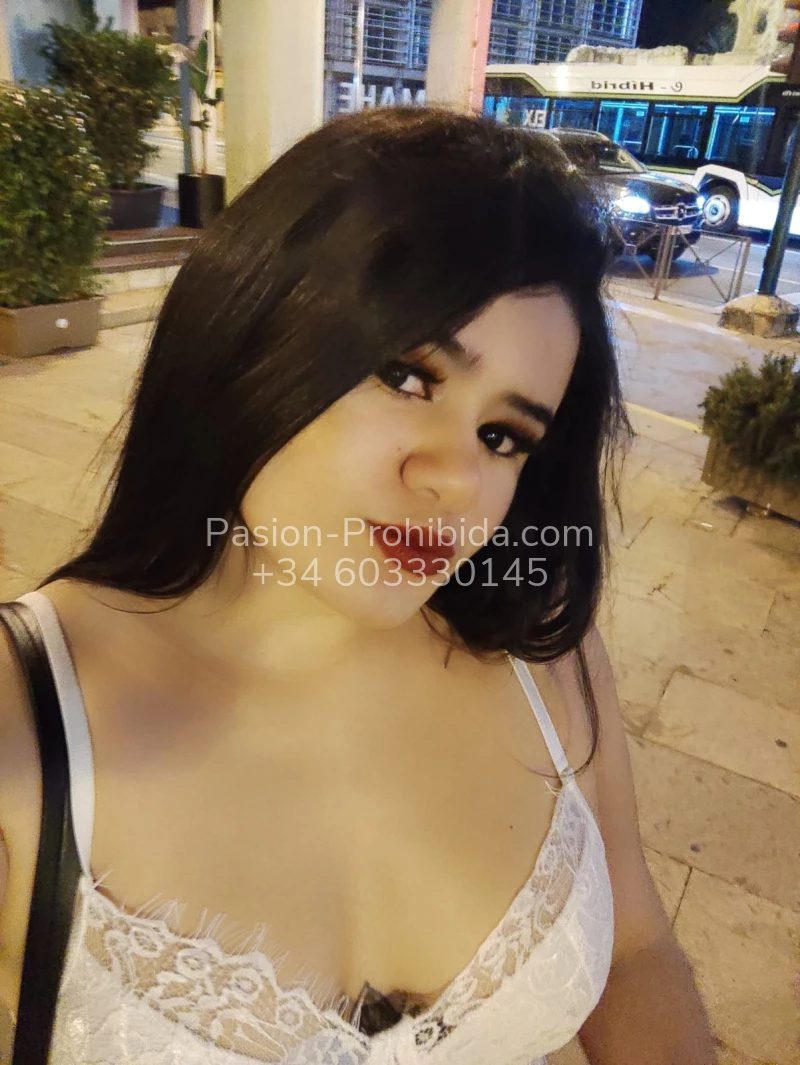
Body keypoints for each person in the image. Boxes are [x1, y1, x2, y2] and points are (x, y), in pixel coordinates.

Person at [0, 106, 718, 1064]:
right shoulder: (25, 723)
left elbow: (634, 951)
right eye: (409, 376)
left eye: (504, 435)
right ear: (247, 335)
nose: (456, 479)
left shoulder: (546, 659)